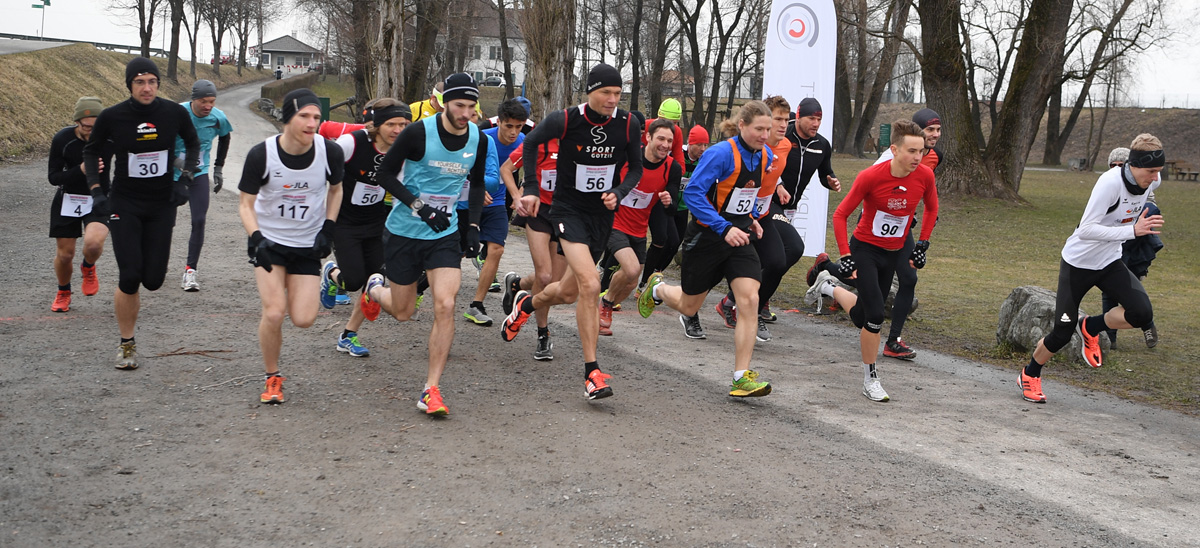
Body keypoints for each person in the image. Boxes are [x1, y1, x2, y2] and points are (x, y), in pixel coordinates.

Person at [501, 63, 643, 400]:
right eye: (606, 92)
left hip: (601, 216)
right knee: (591, 284)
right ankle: (592, 372)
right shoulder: (565, 119)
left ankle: (526, 305)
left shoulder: (628, 124)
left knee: (566, 292)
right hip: (568, 212)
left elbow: (635, 168)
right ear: (590, 92)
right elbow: (531, 144)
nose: (612, 99)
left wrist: (619, 192)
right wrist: (531, 188)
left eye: (617, 93)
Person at [358, 73, 489, 415]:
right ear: (444, 103)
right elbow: (384, 174)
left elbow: (476, 185)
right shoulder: (417, 132)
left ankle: (431, 389)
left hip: (444, 234)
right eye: (459, 105)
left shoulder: (478, 137)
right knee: (404, 312)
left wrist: (473, 226)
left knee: (445, 304)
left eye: (471, 106)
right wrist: (420, 207)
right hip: (404, 231)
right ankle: (374, 289)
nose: (466, 113)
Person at [637, 101, 777, 397]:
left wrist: (750, 218)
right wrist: (724, 227)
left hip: (739, 237)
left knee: (749, 299)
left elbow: (742, 193)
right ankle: (658, 289)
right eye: (759, 129)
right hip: (707, 238)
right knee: (689, 306)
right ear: (742, 125)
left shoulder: (765, 154)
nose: (765, 135)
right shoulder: (720, 154)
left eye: (769, 129)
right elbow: (693, 194)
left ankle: (741, 376)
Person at [1016, 135, 1164, 404]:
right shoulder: (1110, 183)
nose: (1156, 178)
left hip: (1109, 262)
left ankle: (1090, 327)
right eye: (1151, 171)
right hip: (1078, 263)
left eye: (1158, 172)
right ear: (1134, 165)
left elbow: (1144, 195)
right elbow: (1086, 229)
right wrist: (1132, 231)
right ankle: (1030, 373)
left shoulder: (1151, 179)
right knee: (1062, 332)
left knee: (1142, 313)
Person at [804, 119, 937, 402]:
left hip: (893, 251)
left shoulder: (925, 176)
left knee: (862, 316)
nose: (918, 157)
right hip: (865, 249)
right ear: (894, 150)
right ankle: (871, 379)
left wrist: (922, 243)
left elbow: (931, 208)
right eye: (912, 151)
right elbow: (840, 215)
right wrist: (846, 255)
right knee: (876, 315)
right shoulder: (871, 176)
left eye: (921, 151)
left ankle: (827, 286)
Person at [83, 57, 200, 370]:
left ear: (158, 84)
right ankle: (127, 344)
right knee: (130, 275)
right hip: (126, 203)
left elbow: (193, 143)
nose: (146, 88)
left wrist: (185, 179)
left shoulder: (173, 113)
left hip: (161, 204)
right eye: (139, 82)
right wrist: (97, 191)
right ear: (129, 85)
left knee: (154, 280)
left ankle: (129, 334)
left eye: (152, 81)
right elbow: (91, 150)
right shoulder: (112, 116)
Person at [238, 88, 343, 403]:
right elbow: (245, 204)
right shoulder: (262, 155)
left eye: (316, 117)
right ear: (287, 119)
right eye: (304, 116)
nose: (312, 123)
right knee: (274, 313)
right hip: (270, 242)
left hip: (307, 244)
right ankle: (272, 377)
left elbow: (336, 190)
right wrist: (257, 239)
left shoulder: (329, 152)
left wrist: (328, 228)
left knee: (303, 319)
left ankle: (323, 277)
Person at [723, 97, 839, 330]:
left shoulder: (821, 145)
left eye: (819, 119)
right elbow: (763, 163)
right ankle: (740, 303)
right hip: (768, 205)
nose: (816, 123)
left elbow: (824, 171)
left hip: (787, 207)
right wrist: (778, 186)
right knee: (790, 249)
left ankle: (748, 301)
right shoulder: (781, 138)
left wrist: (830, 180)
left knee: (777, 257)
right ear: (799, 116)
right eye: (811, 118)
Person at [319, 99, 411, 357]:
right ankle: (331, 273)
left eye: (403, 124)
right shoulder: (351, 143)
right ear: (377, 125)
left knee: (374, 281)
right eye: (391, 124)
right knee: (353, 281)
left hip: (376, 222)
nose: (398, 130)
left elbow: (402, 187)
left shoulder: (402, 150)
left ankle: (348, 335)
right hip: (344, 222)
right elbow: (322, 175)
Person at [859, 107, 942, 360]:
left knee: (909, 278)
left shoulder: (933, 157)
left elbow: (922, 192)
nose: (935, 135)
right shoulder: (888, 158)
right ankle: (828, 278)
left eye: (938, 130)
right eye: (929, 130)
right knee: (864, 299)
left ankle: (893, 340)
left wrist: (917, 220)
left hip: (901, 228)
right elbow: (871, 192)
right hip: (872, 227)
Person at [712, 95, 796, 342]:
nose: (783, 125)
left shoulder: (785, 146)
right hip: (734, 216)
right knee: (716, 268)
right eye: (777, 119)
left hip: (761, 214)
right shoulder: (749, 147)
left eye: (786, 120)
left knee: (780, 259)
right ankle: (692, 310)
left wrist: (778, 185)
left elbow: (771, 172)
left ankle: (751, 310)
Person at [599, 118, 682, 336]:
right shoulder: (628, 157)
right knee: (632, 269)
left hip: (638, 230)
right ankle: (605, 304)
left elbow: (673, 207)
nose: (665, 145)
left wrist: (668, 202)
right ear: (648, 137)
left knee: (630, 284)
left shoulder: (672, 168)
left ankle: (601, 307)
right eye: (661, 139)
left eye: (670, 141)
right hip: (614, 223)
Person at [499, 137, 565, 360]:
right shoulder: (539, 142)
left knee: (554, 284)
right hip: (538, 211)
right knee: (544, 276)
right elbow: (506, 169)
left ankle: (517, 284)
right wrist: (518, 196)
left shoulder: (582, 144)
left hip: (566, 215)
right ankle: (542, 334)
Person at [462, 99, 523, 326]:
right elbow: (460, 168)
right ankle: (420, 287)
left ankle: (476, 305)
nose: (513, 132)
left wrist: (521, 191)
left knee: (496, 249)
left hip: (497, 202)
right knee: (457, 252)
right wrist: (477, 190)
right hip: (468, 201)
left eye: (519, 127)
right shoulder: (482, 138)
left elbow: (532, 170)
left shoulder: (523, 142)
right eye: (509, 126)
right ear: (499, 123)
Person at [48, 97, 110, 312]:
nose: (91, 132)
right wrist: (80, 170)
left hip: (99, 197)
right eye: (86, 127)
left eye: (96, 127)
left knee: (93, 244)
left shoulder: (110, 138)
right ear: (77, 122)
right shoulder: (63, 139)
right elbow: (53, 177)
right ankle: (63, 291)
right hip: (69, 197)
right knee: (65, 255)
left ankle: (88, 267)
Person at [1098, 147, 1161, 350]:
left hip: (1135, 247)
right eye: (1112, 165)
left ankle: (1147, 323)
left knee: (1131, 290)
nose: (1116, 168)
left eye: (1121, 165)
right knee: (1110, 291)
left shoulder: (1144, 190)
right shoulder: (1109, 186)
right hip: (1113, 245)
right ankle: (1110, 338)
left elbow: (1150, 211)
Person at [175, 79, 233, 292]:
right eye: (203, 101)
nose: (208, 106)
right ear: (194, 100)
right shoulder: (178, 113)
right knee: (165, 222)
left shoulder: (218, 117)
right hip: (172, 173)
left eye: (211, 101)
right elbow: (161, 141)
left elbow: (225, 138)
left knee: (199, 220)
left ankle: (190, 270)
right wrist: (180, 164)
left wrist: (218, 168)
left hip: (199, 172)